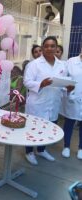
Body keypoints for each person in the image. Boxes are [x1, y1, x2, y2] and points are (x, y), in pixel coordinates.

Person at [23, 36, 73, 165]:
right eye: (46, 46)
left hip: (53, 103)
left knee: (48, 128)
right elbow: (27, 82)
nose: (49, 48)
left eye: (52, 46)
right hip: (37, 103)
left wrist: (68, 88)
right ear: (43, 48)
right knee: (32, 128)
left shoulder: (62, 65)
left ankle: (41, 150)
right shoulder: (34, 64)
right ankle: (29, 151)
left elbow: (62, 84)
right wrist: (41, 84)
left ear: (57, 48)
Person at [60, 50, 82, 159]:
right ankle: (66, 146)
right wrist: (68, 91)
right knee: (69, 122)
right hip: (72, 98)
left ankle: (81, 148)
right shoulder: (71, 62)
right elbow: (64, 79)